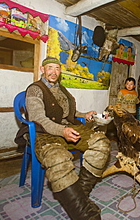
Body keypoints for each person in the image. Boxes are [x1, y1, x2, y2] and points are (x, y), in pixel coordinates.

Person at [19, 57, 110, 220]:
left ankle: (79, 195)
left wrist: (85, 114)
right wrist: (62, 130)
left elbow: (69, 113)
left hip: (67, 128)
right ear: (42, 69)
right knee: (58, 159)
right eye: (50, 68)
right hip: (44, 132)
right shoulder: (34, 89)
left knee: (101, 143)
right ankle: (83, 214)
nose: (54, 72)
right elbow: (38, 118)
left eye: (57, 69)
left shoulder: (62, 89)